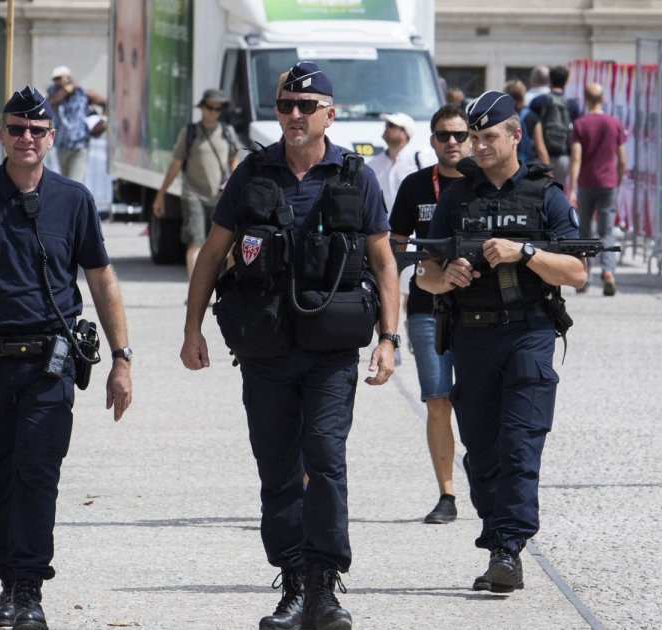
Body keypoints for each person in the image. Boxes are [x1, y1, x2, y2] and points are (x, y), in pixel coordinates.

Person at [181, 61, 398, 630]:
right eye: (286, 106)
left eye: (307, 106)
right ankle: (294, 584)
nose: (295, 115)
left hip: (331, 352)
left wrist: (390, 339)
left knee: (325, 461)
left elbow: (383, 261)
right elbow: (212, 253)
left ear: (331, 113)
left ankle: (325, 586)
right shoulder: (253, 174)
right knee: (277, 468)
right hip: (267, 350)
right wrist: (191, 329)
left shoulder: (356, 176)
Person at [0, 85, 133, 630]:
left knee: (37, 473)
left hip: (50, 363)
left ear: (51, 136)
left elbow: (103, 280)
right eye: (16, 129)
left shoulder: (74, 199)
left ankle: (29, 588)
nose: (26, 138)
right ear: (2, 135)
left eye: (36, 131)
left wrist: (122, 358)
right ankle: (6, 583)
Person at [416, 91, 585, 594]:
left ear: (515, 135)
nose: (479, 146)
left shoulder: (545, 194)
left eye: (489, 137)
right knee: (482, 451)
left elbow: (577, 271)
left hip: (528, 333)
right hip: (471, 336)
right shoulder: (456, 197)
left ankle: (507, 548)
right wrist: (447, 276)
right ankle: (497, 538)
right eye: (474, 138)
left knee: (519, 444)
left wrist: (525, 251)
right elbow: (422, 274)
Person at [389, 103, 471, 525]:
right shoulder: (416, 186)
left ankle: (477, 458)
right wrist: (416, 270)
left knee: (477, 401)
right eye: (444, 135)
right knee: (437, 399)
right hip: (426, 306)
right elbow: (394, 246)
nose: (452, 142)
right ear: (432, 139)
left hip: (480, 308)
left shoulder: (485, 185)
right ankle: (447, 494)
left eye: (459, 134)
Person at [152, 88, 241, 279]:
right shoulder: (190, 132)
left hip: (219, 196)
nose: (213, 112)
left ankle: (222, 287)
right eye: (209, 108)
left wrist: (234, 185)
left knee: (224, 244)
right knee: (195, 242)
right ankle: (195, 288)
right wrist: (161, 195)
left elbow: (234, 160)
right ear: (202, 108)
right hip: (193, 195)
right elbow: (175, 165)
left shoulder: (227, 132)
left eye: (218, 109)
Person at [568, 82, 626, 296]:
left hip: (586, 183)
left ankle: (583, 277)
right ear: (602, 98)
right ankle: (608, 271)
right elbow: (622, 159)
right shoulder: (614, 124)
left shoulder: (580, 124)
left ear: (585, 99)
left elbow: (576, 157)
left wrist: (572, 188)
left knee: (584, 232)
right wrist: (617, 179)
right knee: (606, 231)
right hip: (608, 183)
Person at [47, 65, 106, 183]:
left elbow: (104, 103)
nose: (58, 81)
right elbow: (48, 104)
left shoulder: (83, 93)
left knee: (75, 181)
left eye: (61, 78)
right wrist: (66, 90)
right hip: (61, 145)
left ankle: (74, 202)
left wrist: (103, 119)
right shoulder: (54, 94)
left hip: (80, 144)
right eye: (56, 79)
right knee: (65, 181)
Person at [530, 66, 582, 188]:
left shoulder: (538, 102)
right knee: (557, 192)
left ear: (550, 80)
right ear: (566, 81)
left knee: (538, 193)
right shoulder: (572, 104)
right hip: (563, 156)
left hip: (540, 155)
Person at [369, 111, 427, 212]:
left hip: (411, 226)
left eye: (391, 125)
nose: (387, 128)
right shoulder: (372, 164)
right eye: (386, 125)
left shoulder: (419, 160)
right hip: (382, 227)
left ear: (404, 133)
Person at [504, 79, 548, 166]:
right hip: (527, 164)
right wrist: (548, 169)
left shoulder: (502, 116)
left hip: (507, 164)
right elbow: (540, 147)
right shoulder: (532, 116)